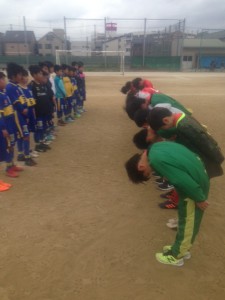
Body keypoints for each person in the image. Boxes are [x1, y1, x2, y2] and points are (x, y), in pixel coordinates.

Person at [125, 141, 210, 266]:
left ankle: (176, 255)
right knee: (185, 219)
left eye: (148, 173)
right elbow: (181, 155)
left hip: (193, 187)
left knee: (188, 222)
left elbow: (181, 180)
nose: (152, 172)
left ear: (141, 167)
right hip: (197, 176)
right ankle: (180, 247)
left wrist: (199, 198)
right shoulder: (154, 148)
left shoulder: (155, 160)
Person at [148, 107, 224, 178]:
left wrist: (217, 156)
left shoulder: (184, 126)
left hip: (204, 157)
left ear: (166, 120)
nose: (164, 130)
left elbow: (204, 142)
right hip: (203, 154)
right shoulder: (182, 117)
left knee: (203, 175)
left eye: (162, 128)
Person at [0, 71, 23, 177]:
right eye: (2, 79)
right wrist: (3, 128)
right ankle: (8, 168)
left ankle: (12, 164)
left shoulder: (4, 94)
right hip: (6, 125)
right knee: (8, 145)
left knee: (12, 144)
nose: (4, 81)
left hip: (12, 123)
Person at [29, 65, 51, 153]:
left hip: (44, 111)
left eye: (42, 74)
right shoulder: (32, 86)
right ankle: (37, 144)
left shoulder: (42, 85)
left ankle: (42, 142)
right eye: (40, 74)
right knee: (38, 128)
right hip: (37, 113)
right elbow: (31, 101)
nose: (41, 75)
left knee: (43, 128)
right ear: (34, 75)